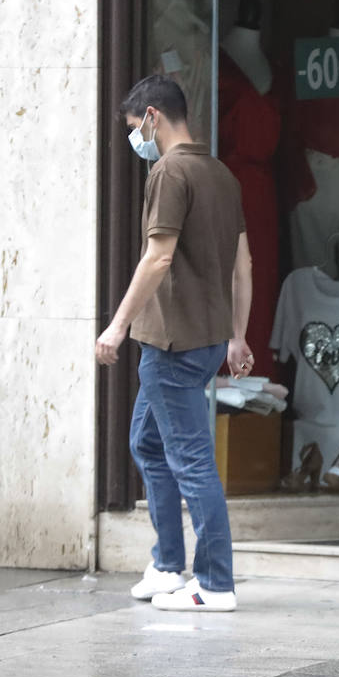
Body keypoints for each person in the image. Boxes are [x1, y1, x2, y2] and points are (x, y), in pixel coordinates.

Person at [95, 75, 254, 613]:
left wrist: (117, 326)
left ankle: (213, 583)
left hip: (171, 345)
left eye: (134, 128)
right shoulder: (221, 174)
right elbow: (243, 265)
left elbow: (157, 257)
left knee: (191, 461)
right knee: (148, 443)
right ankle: (167, 566)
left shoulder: (169, 171)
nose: (135, 138)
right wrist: (238, 335)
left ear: (153, 118)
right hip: (205, 341)